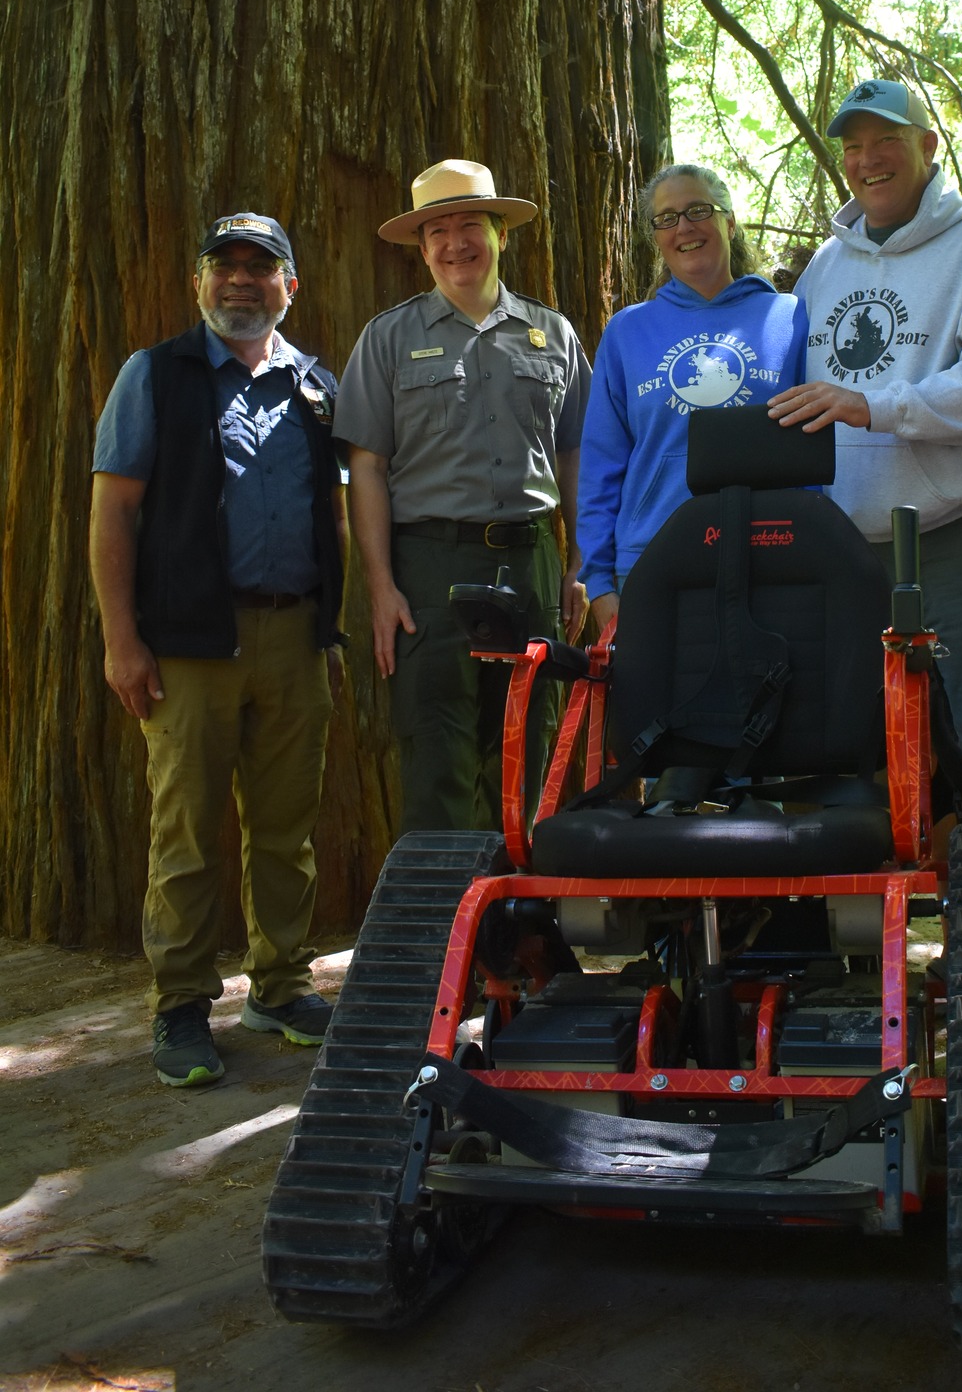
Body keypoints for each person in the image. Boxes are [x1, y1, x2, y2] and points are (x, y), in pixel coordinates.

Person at [90, 213, 347, 1090]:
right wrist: (123, 641)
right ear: (198, 281)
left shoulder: (317, 384)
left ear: (290, 285)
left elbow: (342, 513)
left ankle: (280, 985)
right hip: (190, 646)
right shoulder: (154, 376)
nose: (241, 281)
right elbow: (114, 511)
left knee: (285, 828)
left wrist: (330, 627)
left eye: (260, 267)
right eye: (224, 266)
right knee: (188, 834)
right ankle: (182, 1006)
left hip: (295, 637)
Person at [769, 79, 962, 826]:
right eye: (853, 147)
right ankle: (912, 940)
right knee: (864, 756)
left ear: (926, 148)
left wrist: (873, 405)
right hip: (850, 551)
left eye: (886, 142)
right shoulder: (826, 267)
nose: (867, 160)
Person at [335, 160, 590, 834]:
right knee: (437, 748)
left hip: (531, 559)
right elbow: (365, 467)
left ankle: (524, 928)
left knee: (527, 743)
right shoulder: (388, 338)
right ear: (421, 249)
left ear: (500, 233)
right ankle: (445, 923)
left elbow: (576, 455)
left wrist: (581, 562)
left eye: (469, 225)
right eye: (437, 231)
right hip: (430, 565)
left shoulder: (553, 335)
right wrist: (380, 585)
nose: (455, 244)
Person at [578, 164, 808, 634]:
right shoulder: (627, 331)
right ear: (656, 237)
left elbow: (817, 449)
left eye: (698, 210)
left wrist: (810, 548)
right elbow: (601, 464)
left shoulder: (791, 318)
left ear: (729, 221)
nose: (683, 226)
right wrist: (599, 583)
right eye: (667, 218)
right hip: (651, 560)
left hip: (773, 554)